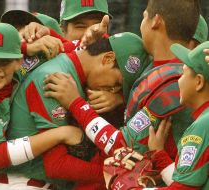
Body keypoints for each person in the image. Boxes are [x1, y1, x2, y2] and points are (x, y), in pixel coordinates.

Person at [43, 0, 201, 187]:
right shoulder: (156, 65)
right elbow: (110, 61)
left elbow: (122, 147)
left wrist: (76, 103)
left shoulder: (175, 80)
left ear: (155, 21)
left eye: (143, 17)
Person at [0, 32, 151, 190]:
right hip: (22, 183)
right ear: (107, 59)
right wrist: (115, 173)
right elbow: (56, 165)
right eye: (117, 83)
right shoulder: (55, 79)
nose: (113, 90)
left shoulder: (76, 72)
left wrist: (119, 100)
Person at [0, 22, 83, 190]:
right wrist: (60, 133)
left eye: (4, 61)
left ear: (18, 61)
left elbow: (77, 49)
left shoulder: (20, 69)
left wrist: (49, 33)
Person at [147, 41, 209, 189]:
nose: (178, 79)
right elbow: (188, 182)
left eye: (183, 72)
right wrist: (159, 155)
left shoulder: (204, 124)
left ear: (199, 81)